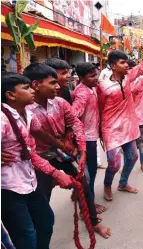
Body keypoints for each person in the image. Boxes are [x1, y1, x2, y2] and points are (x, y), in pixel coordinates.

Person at [23, 63, 111, 238]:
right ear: (36, 85)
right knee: (42, 200)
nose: (58, 86)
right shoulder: (24, 110)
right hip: (38, 159)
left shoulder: (60, 103)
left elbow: (76, 124)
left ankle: (93, 222)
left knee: (83, 185)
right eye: (53, 83)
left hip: (62, 154)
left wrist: (82, 150)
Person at [1, 72, 74, 249]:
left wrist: (56, 171)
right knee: (26, 236)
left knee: (46, 221)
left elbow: (31, 151)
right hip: (8, 188)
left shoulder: (27, 113)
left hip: (28, 181)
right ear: (10, 95)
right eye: (26, 88)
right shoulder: (2, 119)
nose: (32, 90)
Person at [97, 32, 143, 202]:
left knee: (133, 157)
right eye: (122, 62)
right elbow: (100, 108)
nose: (126, 65)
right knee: (114, 163)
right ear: (113, 66)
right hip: (111, 128)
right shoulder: (103, 87)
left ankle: (123, 183)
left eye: (127, 62)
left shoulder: (128, 78)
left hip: (129, 126)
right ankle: (107, 185)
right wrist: (101, 132)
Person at [72, 62, 107, 213]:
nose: (96, 78)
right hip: (86, 140)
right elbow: (73, 116)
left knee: (87, 173)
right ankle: (87, 206)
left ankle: (81, 197)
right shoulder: (82, 93)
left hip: (90, 136)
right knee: (89, 174)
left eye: (96, 74)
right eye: (92, 76)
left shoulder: (89, 88)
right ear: (81, 78)